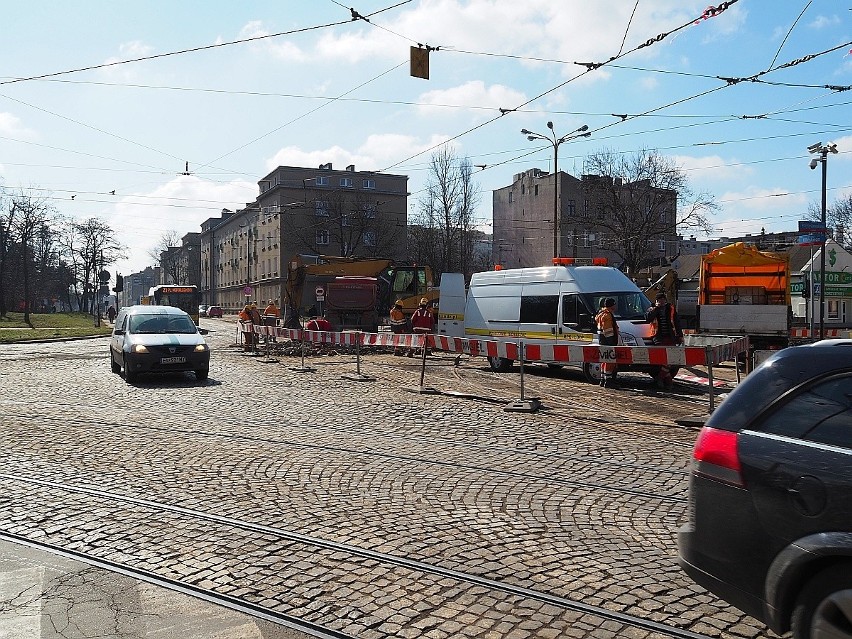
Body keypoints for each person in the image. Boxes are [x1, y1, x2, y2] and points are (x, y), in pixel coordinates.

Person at [645, 292, 683, 390]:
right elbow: (648, 319)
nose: (661, 302)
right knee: (664, 359)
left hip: (671, 337)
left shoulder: (671, 309)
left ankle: (660, 378)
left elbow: (677, 322)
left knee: (669, 359)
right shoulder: (651, 309)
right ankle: (668, 381)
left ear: (665, 300)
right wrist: (656, 308)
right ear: (656, 301)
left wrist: (680, 335)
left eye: (663, 300)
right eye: (659, 300)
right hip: (658, 337)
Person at [594, 297, 619, 388]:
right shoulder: (607, 315)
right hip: (608, 341)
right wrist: (612, 342)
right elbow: (608, 331)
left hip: (603, 341)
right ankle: (608, 381)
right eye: (614, 304)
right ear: (611, 305)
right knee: (610, 361)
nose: (616, 306)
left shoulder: (601, 314)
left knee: (604, 360)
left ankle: (603, 379)